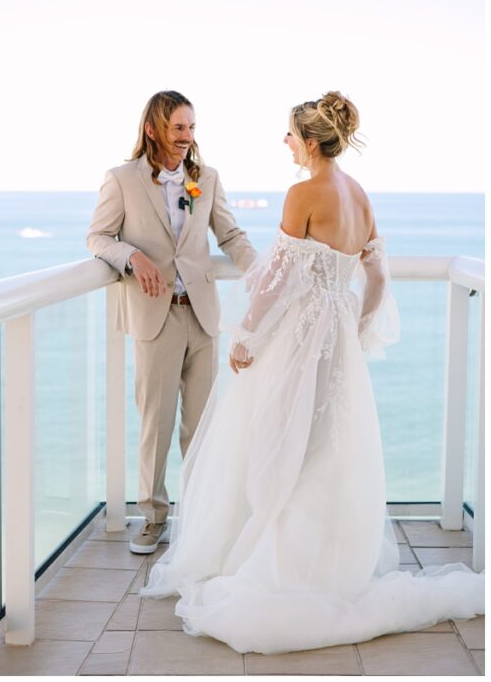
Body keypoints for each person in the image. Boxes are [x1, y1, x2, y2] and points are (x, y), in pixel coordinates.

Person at [141, 92, 484, 654]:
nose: (285, 143)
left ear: (309, 140)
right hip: (338, 339)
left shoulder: (304, 193)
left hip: (299, 342)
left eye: (289, 135)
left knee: (279, 442)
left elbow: (275, 280)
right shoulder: (360, 196)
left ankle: (279, 566)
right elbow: (376, 280)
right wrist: (360, 328)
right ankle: (328, 566)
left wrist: (245, 338)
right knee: (326, 447)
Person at [87, 90, 256, 555]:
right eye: (179, 127)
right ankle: (153, 517)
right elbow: (97, 237)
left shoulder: (208, 178)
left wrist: (262, 271)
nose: (187, 137)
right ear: (152, 129)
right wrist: (132, 256)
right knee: (156, 424)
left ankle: (201, 518)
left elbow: (231, 234)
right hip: (154, 317)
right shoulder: (121, 179)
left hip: (202, 316)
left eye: (192, 128)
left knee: (202, 426)